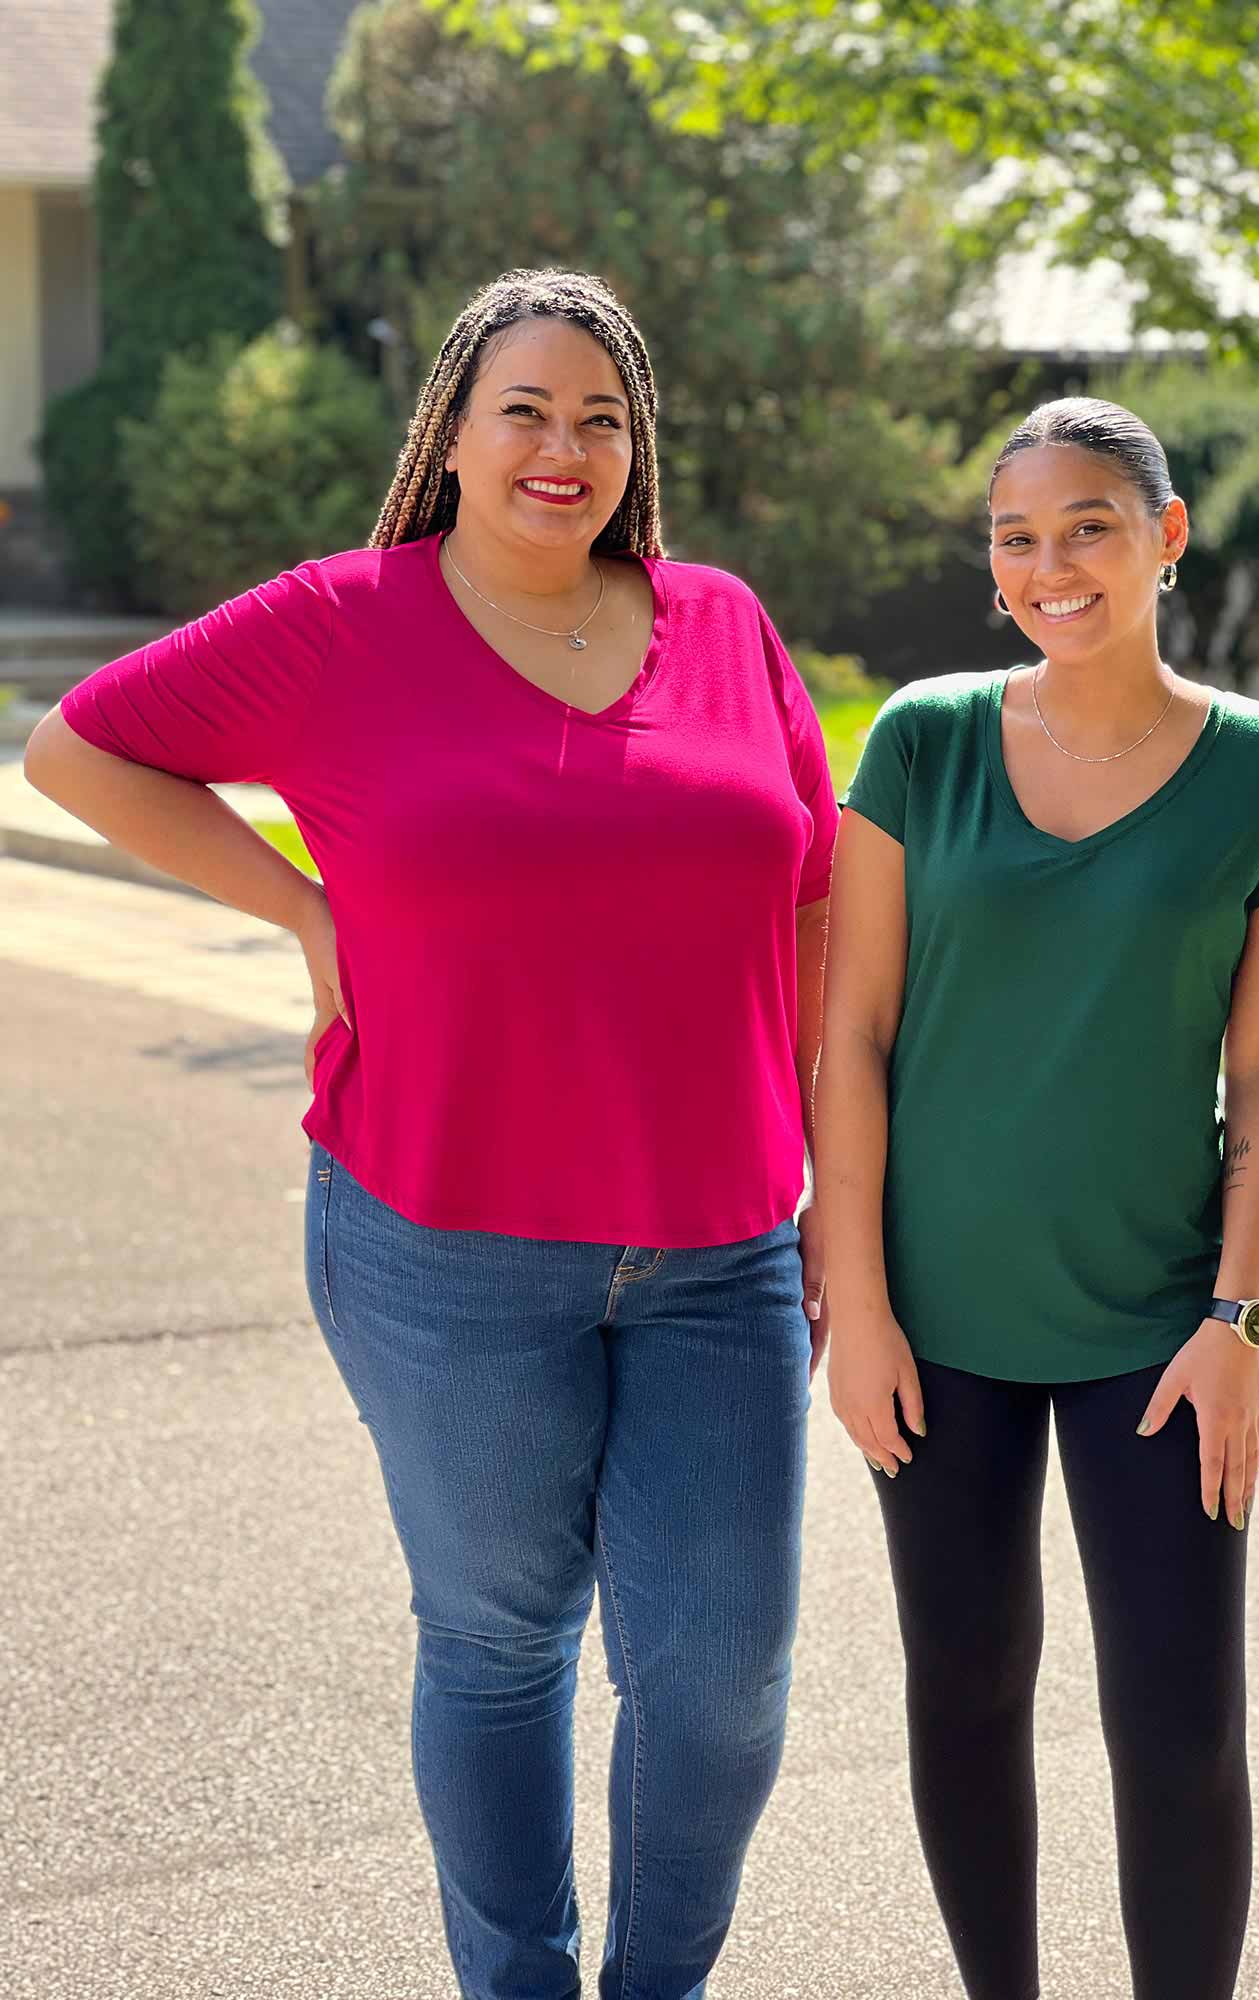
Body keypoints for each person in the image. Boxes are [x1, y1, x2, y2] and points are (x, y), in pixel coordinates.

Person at [24, 268, 838, 2000]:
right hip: (439, 1236)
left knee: (719, 1683)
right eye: (525, 411)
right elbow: (78, 751)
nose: (565, 448)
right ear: (452, 434)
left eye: (601, 418)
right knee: (496, 1639)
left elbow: (820, 914)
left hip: (720, 1250)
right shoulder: (344, 620)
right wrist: (304, 913)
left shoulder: (724, 623)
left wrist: (838, 1194)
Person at [817, 397, 1259, 2000]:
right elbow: (850, 1027)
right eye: (1018, 538)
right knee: (964, 1689)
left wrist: (1238, 1319)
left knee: (1181, 1730)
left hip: (1160, 1327)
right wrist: (856, 1304)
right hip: (939, 1319)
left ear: (1165, 538)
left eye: (1090, 527)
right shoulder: (921, 740)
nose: (1052, 566)